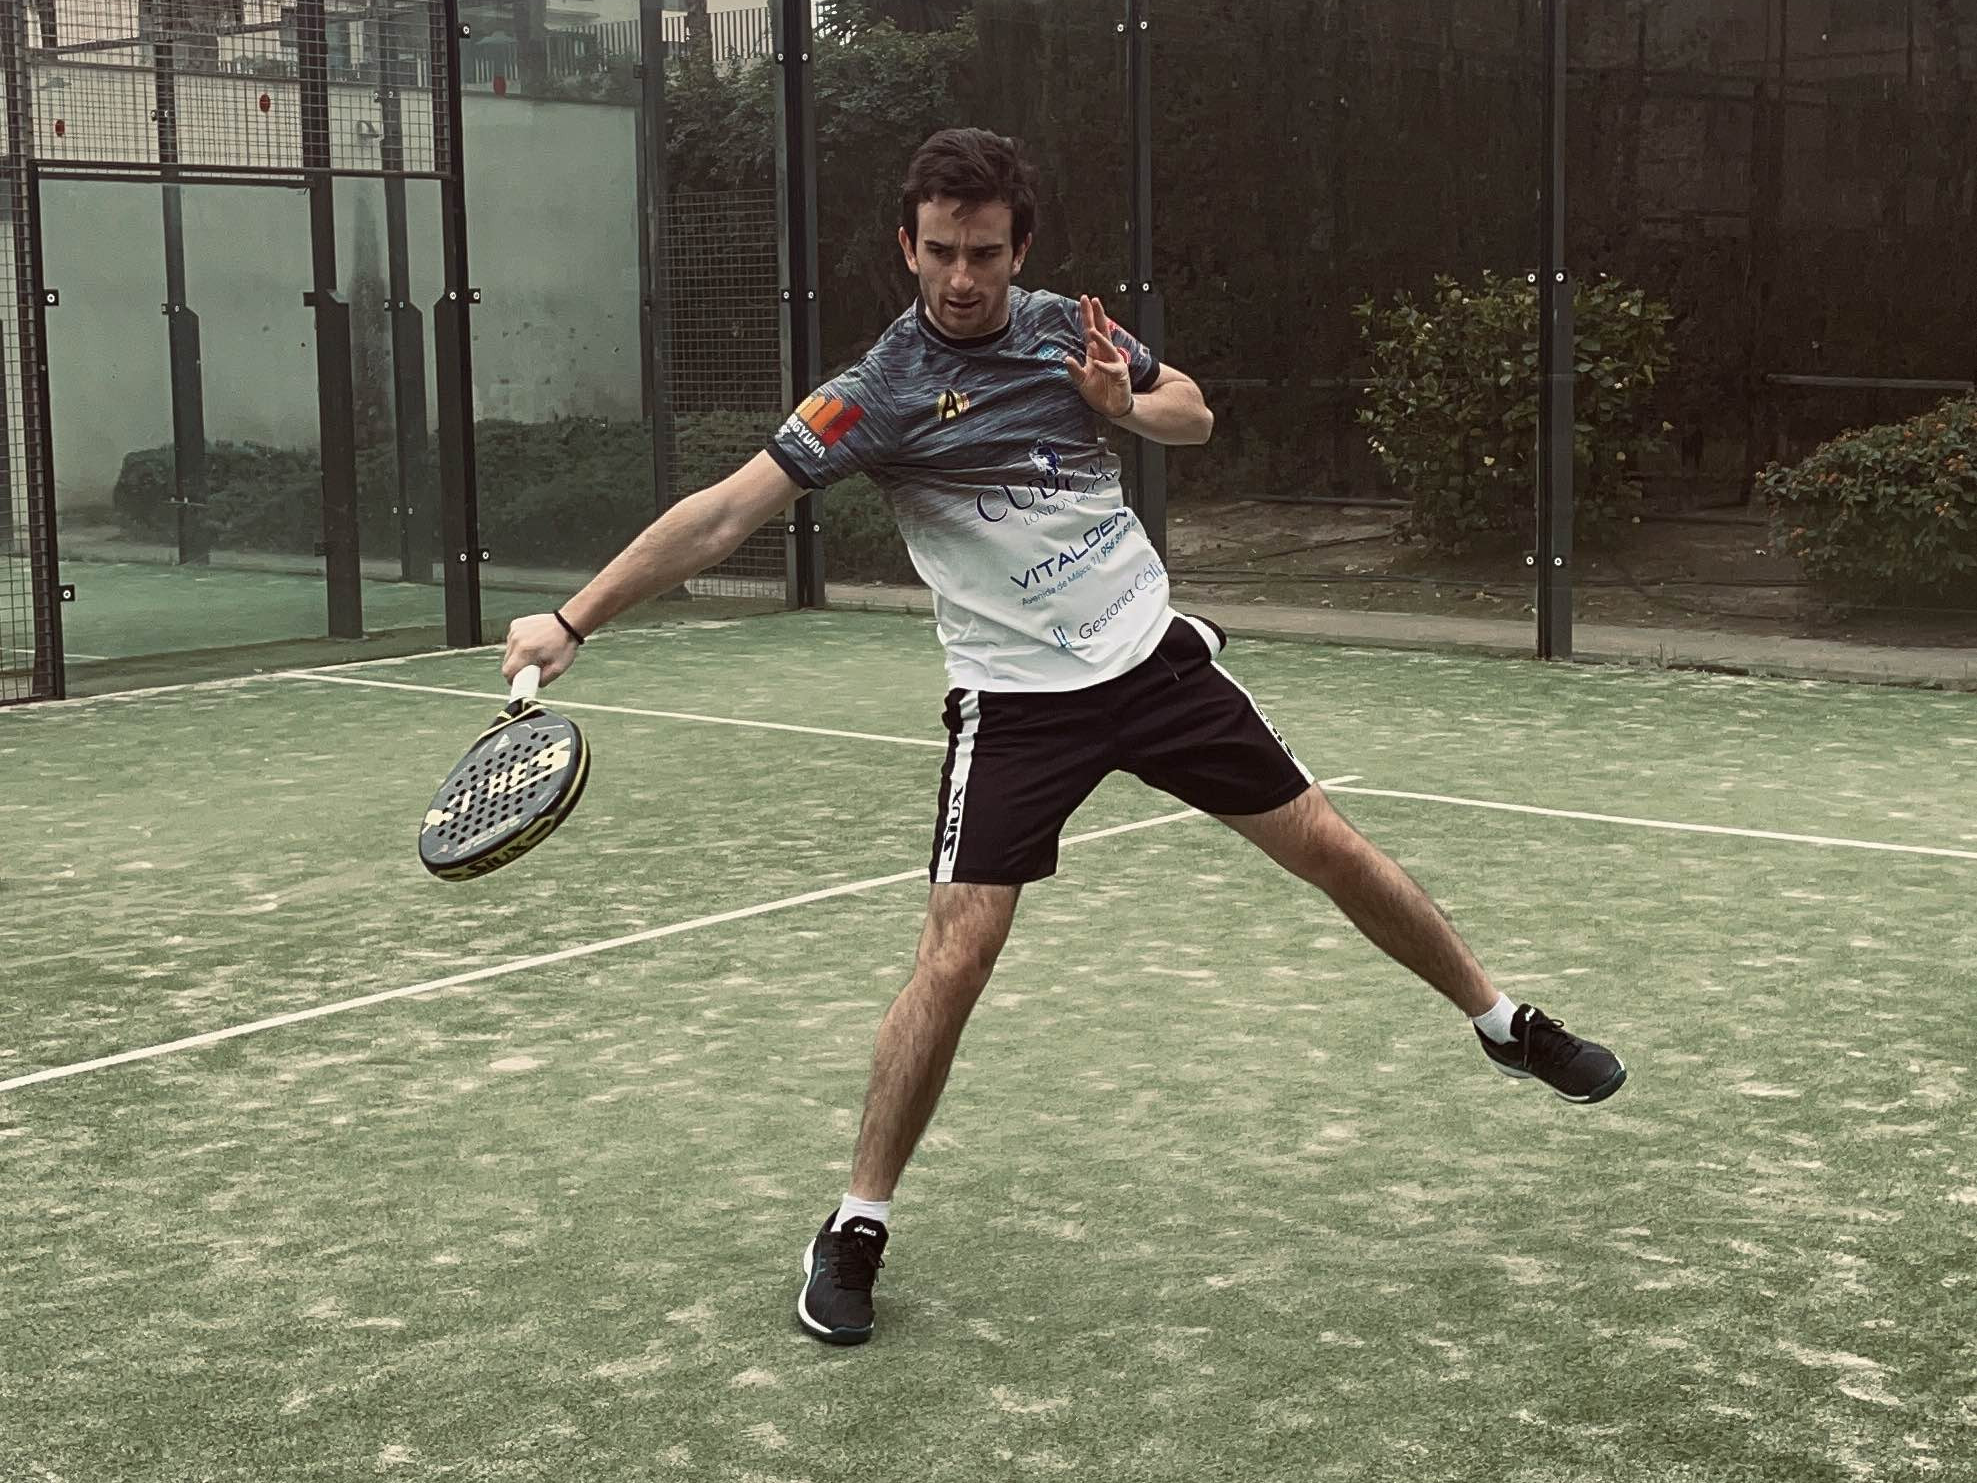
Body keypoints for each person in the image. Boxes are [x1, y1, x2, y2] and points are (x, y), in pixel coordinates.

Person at [503, 126, 1626, 1348]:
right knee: (958, 954)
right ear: (907, 246)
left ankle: (1502, 1023)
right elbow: (724, 516)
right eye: (941, 252)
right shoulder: (874, 393)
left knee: (1330, 846)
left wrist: (1122, 403)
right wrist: (574, 618)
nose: (962, 278)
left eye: (984, 253)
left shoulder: (1064, 331)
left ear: (1019, 247)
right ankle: (856, 1224)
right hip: (1017, 706)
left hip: (1152, 664)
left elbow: (1193, 415)